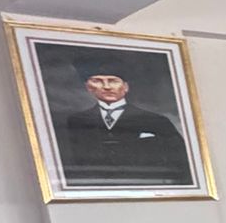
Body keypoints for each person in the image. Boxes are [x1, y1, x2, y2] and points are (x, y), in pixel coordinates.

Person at [58, 69, 192, 185]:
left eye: (113, 81)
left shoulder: (156, 120)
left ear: (125, 87)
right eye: (97, 81)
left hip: (146, 187)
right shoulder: (77, 121)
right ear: (88, 87)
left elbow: (182, 161)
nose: (106, 87)